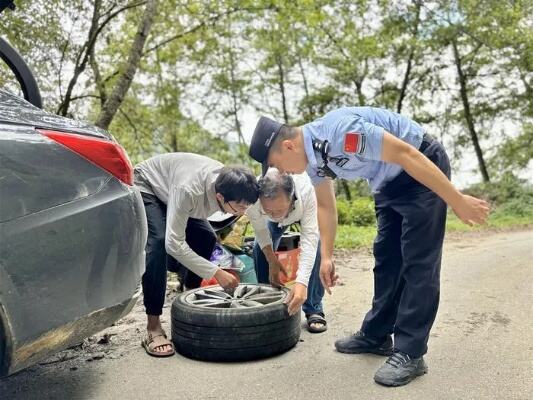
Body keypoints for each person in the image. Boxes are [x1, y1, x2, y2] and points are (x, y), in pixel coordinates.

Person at [248, 107, 490, 386]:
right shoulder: (313, 159)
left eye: (276, 163)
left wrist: (455, 199)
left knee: (419, 263)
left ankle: (411, 353)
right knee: (387, 260)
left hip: (420, 169)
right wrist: (327, 257)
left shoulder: (341, 132)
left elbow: (406, 154)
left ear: (288, 145)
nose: (281, 172)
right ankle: (377, 334)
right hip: (388, 183)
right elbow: (326, 206)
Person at [134, 153, 259, 357]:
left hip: (175, 193)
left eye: (248, 206)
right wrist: (215, 272)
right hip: (149, 185)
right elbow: (173, 244)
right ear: (220, 197)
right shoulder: (189, 190)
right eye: (240, 207)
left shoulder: (235, 187)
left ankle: (188, 300)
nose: (244, 211)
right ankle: (153, 326)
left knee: (206, 237)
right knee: (157, 246)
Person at [247, 168, 326, 333]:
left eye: (279, 210)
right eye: (268, 210)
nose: (275, 215)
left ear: (291, 199)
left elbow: (309, 240)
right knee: (259, 248)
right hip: (270, 223)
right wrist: (272, 261)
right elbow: (260, 231)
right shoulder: (252, 195)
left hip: (302, 213)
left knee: (316, 248)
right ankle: (266, 300)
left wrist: (301, 282)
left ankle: (314, 307)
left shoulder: (306, 189)